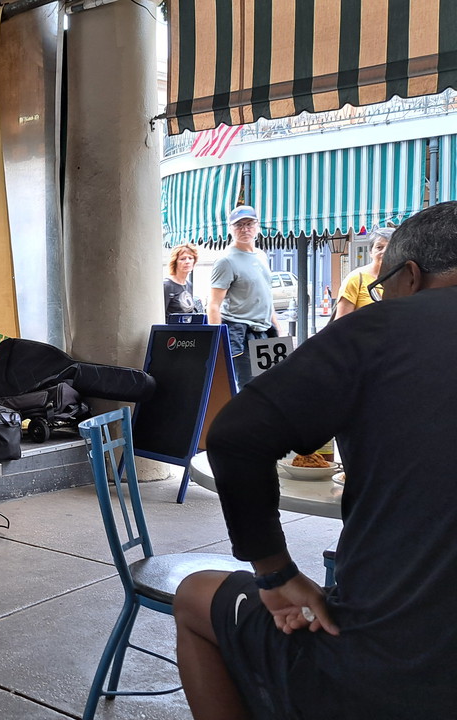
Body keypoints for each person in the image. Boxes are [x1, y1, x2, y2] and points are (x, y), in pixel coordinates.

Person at [172, 201, 457, 720]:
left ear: (410, 277)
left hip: (390, 666)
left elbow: (234, 437)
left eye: (384, 286)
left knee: (194, 596)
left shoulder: (377, 330)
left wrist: (275, 572)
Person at [207, 205, 281, 388]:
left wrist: (277, 328)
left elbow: (265, 296)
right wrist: (218, 343)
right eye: (239, 225)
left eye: (249, 224)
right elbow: (213, 304)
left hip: (266, 331)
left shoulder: (261, 255)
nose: (244, 229)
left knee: (273, 384)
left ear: (257, 226)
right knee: (249, 389)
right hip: (241, 334)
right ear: (230, 228)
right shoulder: (226, 260)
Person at [334, 227, 394, 319]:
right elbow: (340, 322)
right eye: (379, 247)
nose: (385, 252)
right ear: (370, 252)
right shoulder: (355, 279)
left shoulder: (403, 279)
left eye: (390, 248)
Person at [164, 243, 205, 321]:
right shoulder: (167, 285)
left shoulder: (189, 285)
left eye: (190, 258)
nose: (187, 261)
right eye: (182, 259)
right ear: (175, 262)